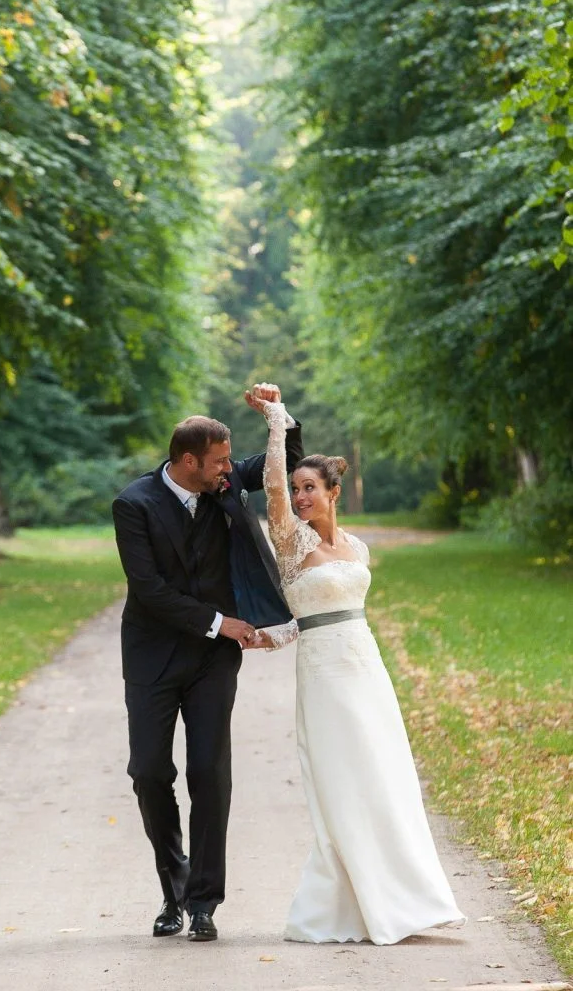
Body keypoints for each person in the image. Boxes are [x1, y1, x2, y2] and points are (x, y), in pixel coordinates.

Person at [244, 383, 466, 945]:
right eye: (296, 489)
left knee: (386, 777)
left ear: (334, 491)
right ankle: (354, 900)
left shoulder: (357, 549)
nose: (299, 497)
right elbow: (270, 486)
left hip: (368, 672)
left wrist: (277, 634)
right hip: (326, 681)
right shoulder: (290, 544)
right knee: (344, 782)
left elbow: (331, 612)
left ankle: (413, 898)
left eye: (310, 488)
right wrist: (277, 423)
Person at [112, 396, 303, 942]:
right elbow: (149, 592)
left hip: (213, 663)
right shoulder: (134, 505)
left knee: (209, 772)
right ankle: (173, 886)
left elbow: (278, 466)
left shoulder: (222, 485)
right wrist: (223, 623)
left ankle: (203, 902)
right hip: (153, 656)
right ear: (190, 460)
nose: (228, 469)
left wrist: (280, 418)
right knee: (149, 771)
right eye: (220, 461)